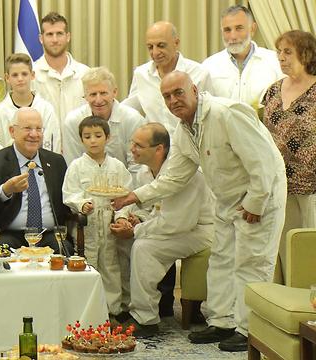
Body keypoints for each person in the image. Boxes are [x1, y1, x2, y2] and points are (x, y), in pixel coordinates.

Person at [112, 71, 286, 352]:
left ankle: (248, 329)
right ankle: (222, 321)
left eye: (178, 92)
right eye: (167, 96)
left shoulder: (227, 113)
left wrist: (257, 202)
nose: (173, 100)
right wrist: (134, 195)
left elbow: (263, 161)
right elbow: (174, 178)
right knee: (221, 260)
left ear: (194, 90)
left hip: (260, 194)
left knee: (251, 263)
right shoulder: (183, 130)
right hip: (227, 199)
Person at [110, 123, 213, 337]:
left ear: (159, 149)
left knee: (144, 247)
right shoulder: (145, 172)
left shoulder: (186, 175)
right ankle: (135, 309)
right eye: (132, 143)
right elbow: (151, 209)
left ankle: (146, 320)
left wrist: (136, 231)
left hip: (200, 230)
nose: (132, 149)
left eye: (139, 145)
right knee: (138, 242)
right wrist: (134, 219)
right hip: (179, 226)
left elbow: (176, 224)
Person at [62, 116, 132, 320]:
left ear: (107, 137)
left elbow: (125, 195)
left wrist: (121, 216)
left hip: (109, 224)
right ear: (81, 140)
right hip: (87, 226)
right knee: (88, 264)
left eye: (98, 135)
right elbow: (69, 193)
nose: (93, 140)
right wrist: (81, 204)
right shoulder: (76, 166)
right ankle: (87, 309)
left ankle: (113, 308)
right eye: (87, 136)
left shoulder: (117, 166)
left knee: (111, 265)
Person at [0, 107, 71, 253]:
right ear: (12, 131)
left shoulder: (56, 161)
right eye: (27, 128)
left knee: (64, 250)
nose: (34, 134)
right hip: (8, 234)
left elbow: (67, 199)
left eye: (39, 129)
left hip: (49, 235)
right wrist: (5, 191)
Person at [261, 30, 316, 283]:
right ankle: (284, 301)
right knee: (282, 247)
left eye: (287, 52)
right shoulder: (272, 91)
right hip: (278, 183)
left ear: (305, 54)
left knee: (308, 247)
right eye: (279, 52)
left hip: (310, 186)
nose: (281, 58)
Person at [122, 21, 213, 135]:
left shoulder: (199, 73)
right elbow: (129, 109)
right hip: (155, 149)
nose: (155, 52)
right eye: (150, 47)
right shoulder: (141, 74)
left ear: (176, 43)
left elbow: (210, 117)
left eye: (161, 46)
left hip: (190, 147)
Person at [62, 67, 146, 174]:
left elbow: (137, 167)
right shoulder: (73, 121)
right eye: (93, 94)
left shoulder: (133, 120)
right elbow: (73, 167)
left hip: (125, 186)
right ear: (85, 96)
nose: (98, 100)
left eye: (103, 93)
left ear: (114, 92)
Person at [202, 5, 283, 109]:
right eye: (227, 30)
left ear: (253, 29)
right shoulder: (209, 66)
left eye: (239, 28)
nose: (233, 36)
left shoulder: (275, 61)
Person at [32, 12, 89, 138]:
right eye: (49, 34)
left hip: (79, 146)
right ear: (41, 38)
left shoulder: (85, 74)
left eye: (59, 34)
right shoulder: (31, 75)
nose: (55, 40)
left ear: (68, 36)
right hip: (43, 148)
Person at [0, 53, 60, 153]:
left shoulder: (46, 109)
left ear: (32, 75)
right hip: (8, 167)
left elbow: (52, 145)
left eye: (24, 74)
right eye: (15, 75)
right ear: (7, 78)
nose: (20, 79)